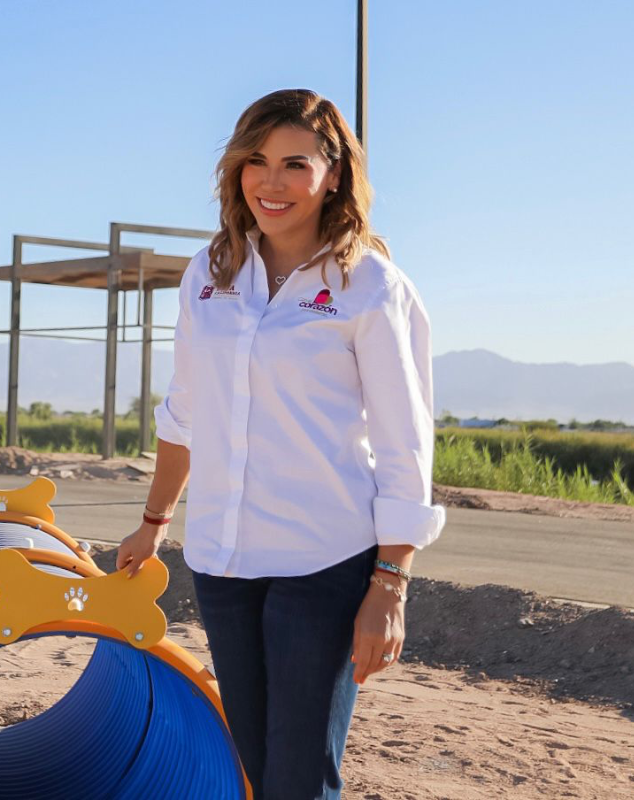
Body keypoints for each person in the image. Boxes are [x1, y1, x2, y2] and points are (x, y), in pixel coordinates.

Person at [115, 88, 447, 799]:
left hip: (322, 561)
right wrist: (153, 523)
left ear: (335, 176)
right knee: (258, 770)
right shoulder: (211, 273)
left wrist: (390, 584)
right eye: (255, 161)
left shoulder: (371, 287)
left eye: (295, 163)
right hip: (223, 560)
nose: (272, 181)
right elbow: (185, 412)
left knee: (299, 776)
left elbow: (403, 446)